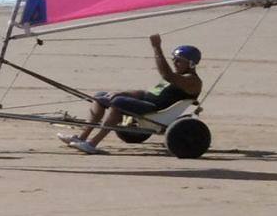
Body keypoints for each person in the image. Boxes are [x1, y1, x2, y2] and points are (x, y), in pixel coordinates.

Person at [61, 37, 202, 152]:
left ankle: (92, 144)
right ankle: (81, 137)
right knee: (100, 97)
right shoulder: (176, 76)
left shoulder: (192, 80)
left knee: (119, 103)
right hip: (147, 102)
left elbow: (166, 74)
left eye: (179, 61)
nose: (175, 63)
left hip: (157, 112)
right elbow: (147, 93)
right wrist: (122, 92)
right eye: (174, 60)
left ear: (191, 64)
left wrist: (157, 48)